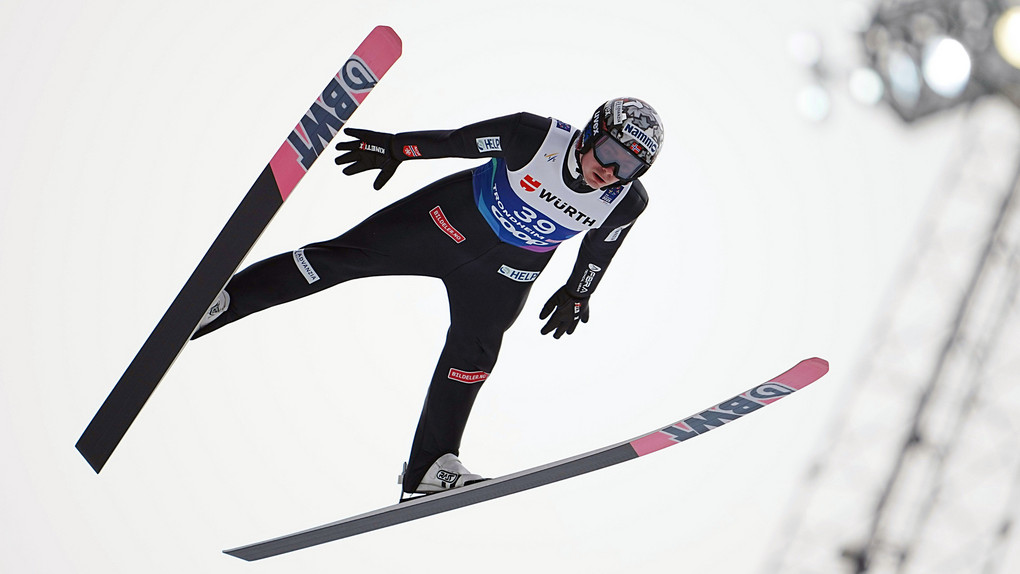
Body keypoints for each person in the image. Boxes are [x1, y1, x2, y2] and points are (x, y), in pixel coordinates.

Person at [192, 97, 665, 497]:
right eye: (609, 153)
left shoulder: (626, 201)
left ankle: (430, 469)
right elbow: (456, 142)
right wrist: (398, 148)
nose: (610, 170)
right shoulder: (532, 137)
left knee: (474, 358)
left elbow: (601, 249)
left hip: (505, 274)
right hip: (441, 224)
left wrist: (578, 294)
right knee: (336, 260)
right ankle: (224, 302)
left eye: (629, 166)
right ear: (589, 134)